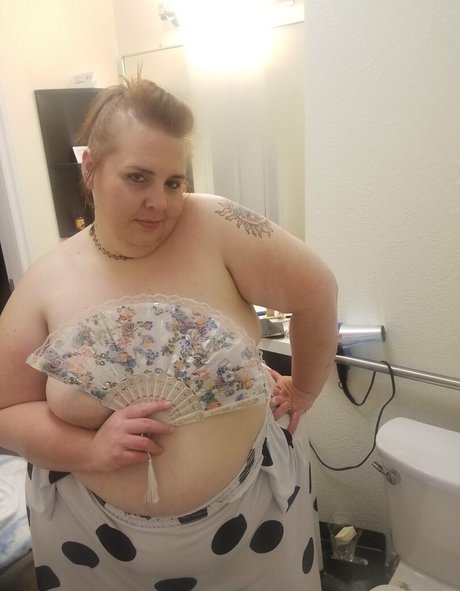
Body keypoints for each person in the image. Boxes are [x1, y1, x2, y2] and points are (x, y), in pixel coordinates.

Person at [0, 76, 337, 591]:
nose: (159, 202)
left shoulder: (216, 224)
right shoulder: (45, 282)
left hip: (253, 528)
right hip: (93, 545)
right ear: (90, 169)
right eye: (138, 178)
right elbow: (5, 412)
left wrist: (305, 389)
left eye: (174, 182)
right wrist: (90, 451)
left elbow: (317, 291)